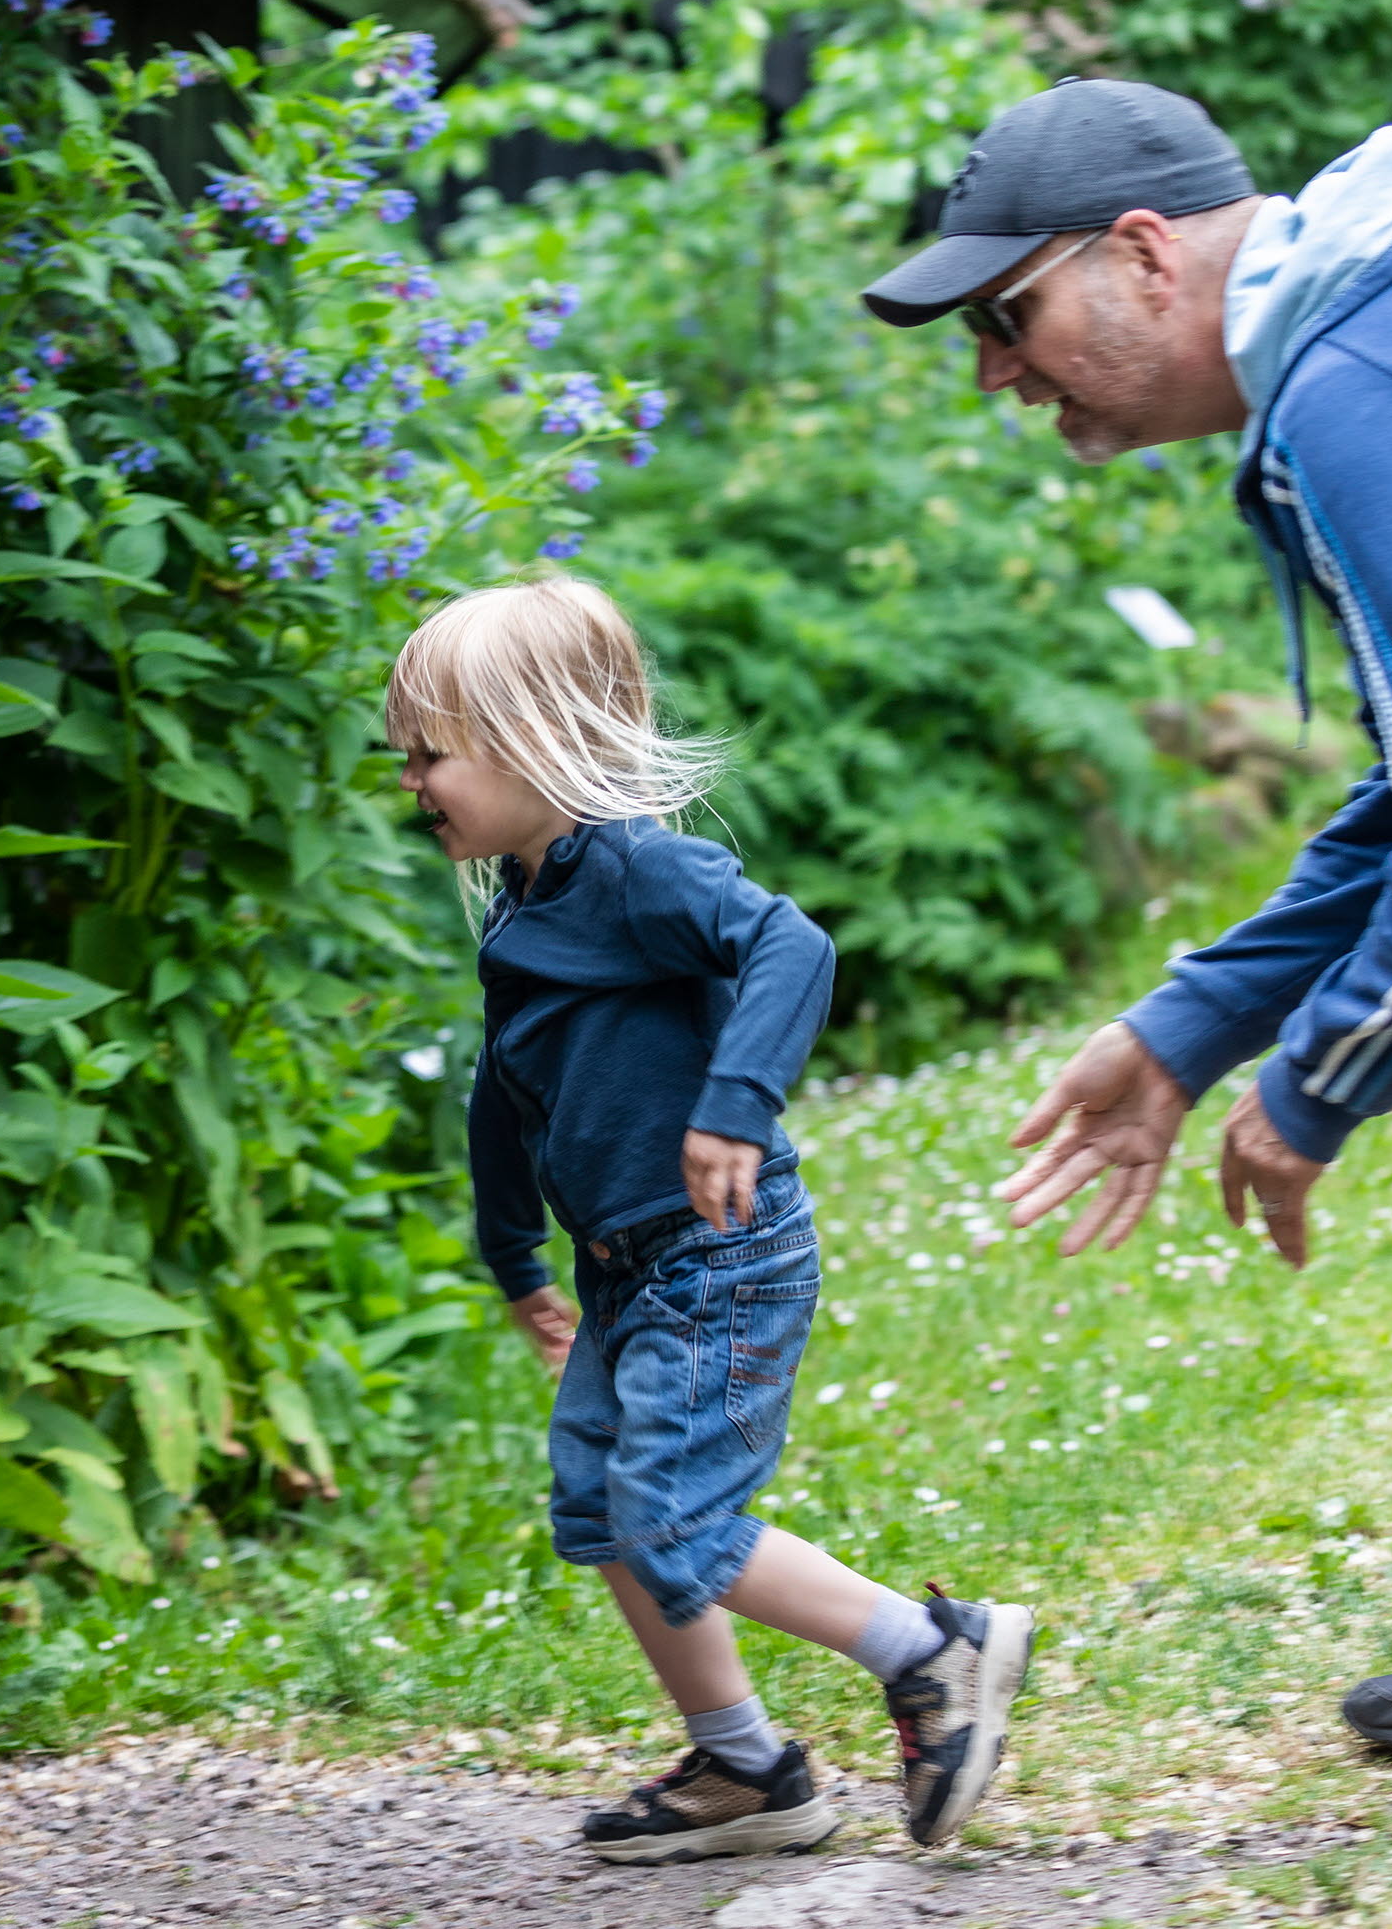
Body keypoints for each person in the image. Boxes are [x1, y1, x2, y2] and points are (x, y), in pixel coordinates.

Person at [856, 79, 1392, 1872]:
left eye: (1007, 316)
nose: (995, 371)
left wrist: (1304, 1087)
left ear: (1139, 255)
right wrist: (1185, 1022)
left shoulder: (1354, 390)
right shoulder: (1369, 337)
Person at [390, 579, 1034, 1864]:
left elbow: (792, 944)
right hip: (625, 1266)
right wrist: (513, 1249)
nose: (410, 779)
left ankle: (934, 1650)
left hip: (719, 1249)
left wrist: (736, 1105)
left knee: (671, 1513)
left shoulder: (632, 867)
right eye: (401, 754)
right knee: (602, 1507)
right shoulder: (527, 904)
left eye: (429, 752)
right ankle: (747, 1765)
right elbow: (504, 1093)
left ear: (528, 739)